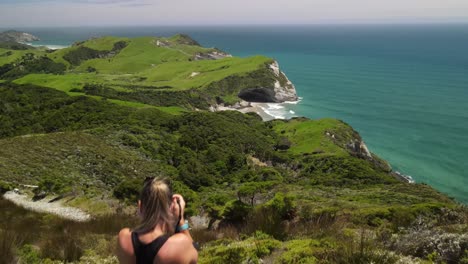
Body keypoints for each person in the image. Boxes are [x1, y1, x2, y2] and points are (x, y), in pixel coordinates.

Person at [117, 177, 198, 264]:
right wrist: (180, 219)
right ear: (171, 207)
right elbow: (194, 254)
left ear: (140, 206)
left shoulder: (123, 236)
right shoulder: (180, 244)